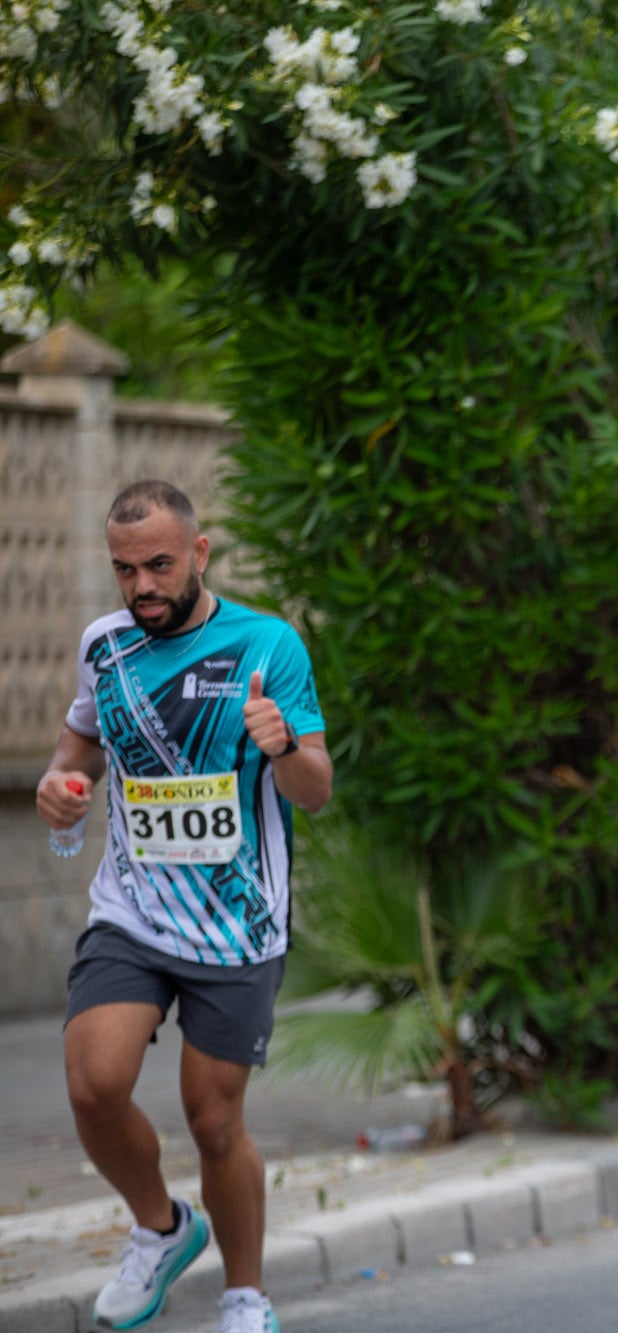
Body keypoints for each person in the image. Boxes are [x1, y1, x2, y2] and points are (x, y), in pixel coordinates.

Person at [35, 480, 333, 1333]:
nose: (142, 588)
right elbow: (78, 751)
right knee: (94, 1086)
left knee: (213, 1118)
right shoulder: (106, 646)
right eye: (125, 570)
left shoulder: (267, 645)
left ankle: (246, 1295)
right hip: (131, 909)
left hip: (237, 920)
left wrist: (282, 748)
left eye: (159, 565)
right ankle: (163, 1228)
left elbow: (315, 790)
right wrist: (64, 789)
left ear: (199, 554)